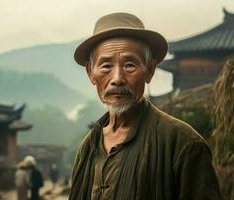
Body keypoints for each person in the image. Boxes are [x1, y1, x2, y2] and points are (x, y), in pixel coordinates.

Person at [69, 13, 221, 200]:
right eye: (106, 66)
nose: (117, 79)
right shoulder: (88, 146)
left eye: (130, 65)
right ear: (90, 73)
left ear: (150, 70)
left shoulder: (182, 143)